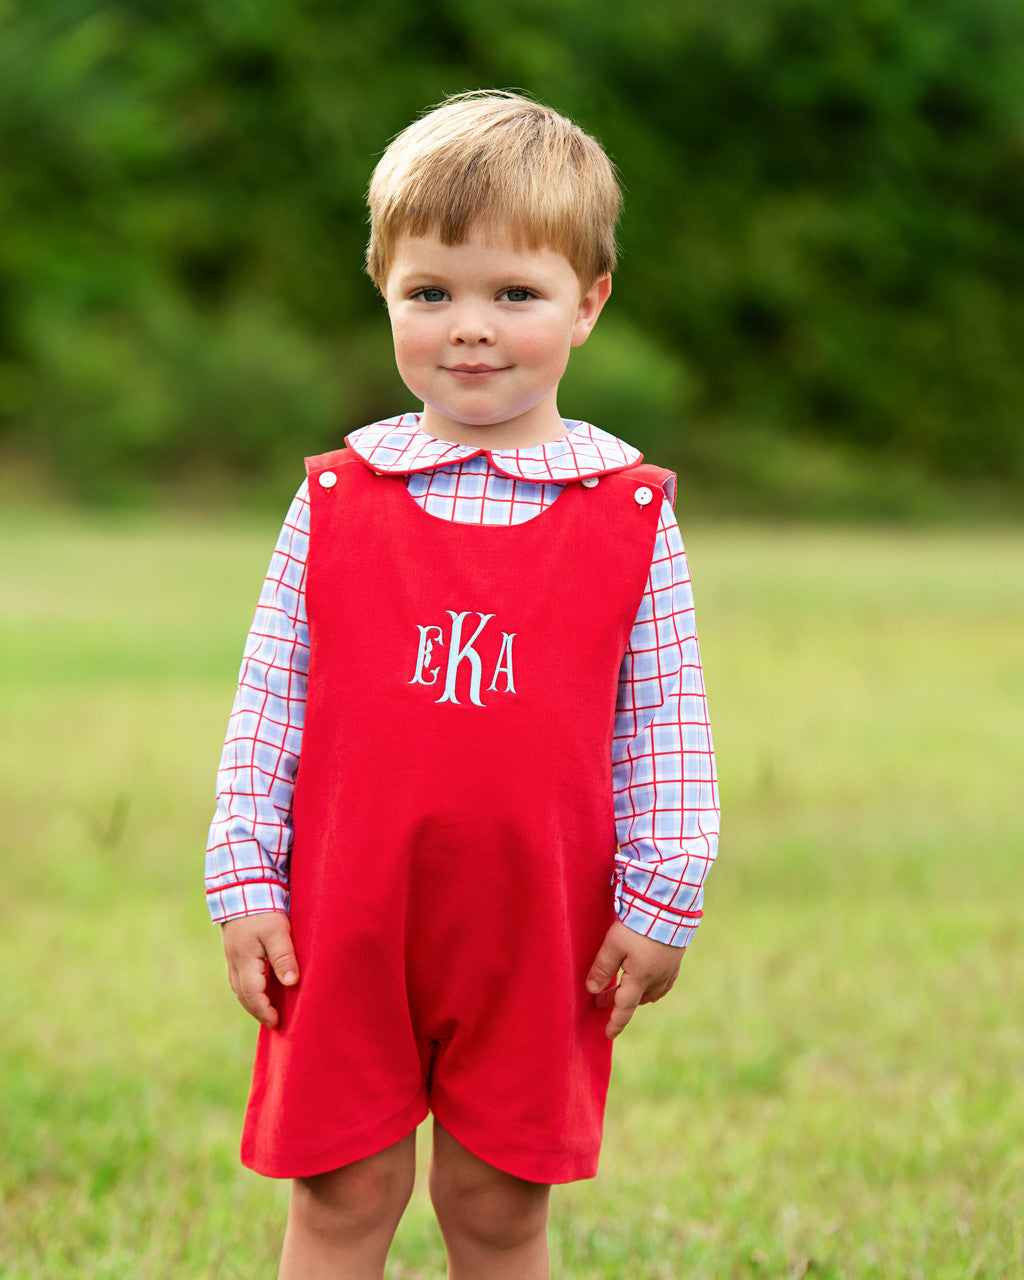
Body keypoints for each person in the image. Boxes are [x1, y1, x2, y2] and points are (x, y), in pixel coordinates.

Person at [205, 90, 719, 1280]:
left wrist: (662, 893)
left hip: (537, 922)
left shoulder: (629, 514)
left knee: (496, 1202)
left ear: (587, 304)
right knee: (340, 1189)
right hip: (346, 909)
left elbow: (665, 724)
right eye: (431, 293)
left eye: (514, 294)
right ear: (385, 291)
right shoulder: (336, 498)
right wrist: (244, 877)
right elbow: (269, 700)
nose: (470, 328)